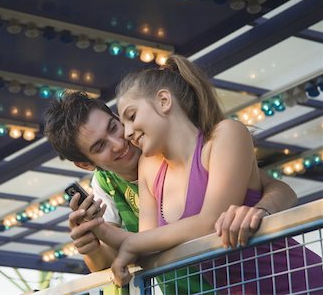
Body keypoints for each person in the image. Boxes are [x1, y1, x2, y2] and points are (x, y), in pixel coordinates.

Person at [89, 54, 322, 293]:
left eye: (131, 116)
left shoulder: (226, 135)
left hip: (300, 284)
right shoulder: (149, 166)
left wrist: (128, 242)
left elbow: (210, 222)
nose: (127, 133)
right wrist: (98, 230)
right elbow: (148, 246)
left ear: (163, 100)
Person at [44, 92, 296, 272]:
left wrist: (259, 212)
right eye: (100, 146)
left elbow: (280, 189)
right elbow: (114, 259)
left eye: (113, 127)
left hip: (261, 272)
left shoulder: (171, 145)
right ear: (85, 164)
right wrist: (91, 248)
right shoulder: (104, 184)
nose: (119, 143)